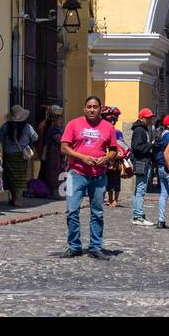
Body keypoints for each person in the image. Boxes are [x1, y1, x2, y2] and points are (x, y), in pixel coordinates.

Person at [61, 95, 118, 257]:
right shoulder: (73, 124)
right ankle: (74, 246)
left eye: (95, 107)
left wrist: (105, 158)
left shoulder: (108, 127)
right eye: (89, 107)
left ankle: (95, 247)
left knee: (97, 212)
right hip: (76, 173)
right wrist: (82, 157)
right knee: (72, 211)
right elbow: (64, 148)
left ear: (100, 109)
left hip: (99, 175)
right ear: (84, 108)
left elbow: (114, 150)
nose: (92, 109)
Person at [0, 105, 39, 208]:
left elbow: (0, 136)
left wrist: (7, 145)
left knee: (10, 176)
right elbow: (35, 137)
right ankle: (16, 199)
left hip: (8, 154)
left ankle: (13, 198)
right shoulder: (27, 127)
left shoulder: (6, 126)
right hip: (21, 155)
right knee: (19, 177)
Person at [130, 107, 155, 226]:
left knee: (140, 190)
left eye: (151, 117)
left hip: (143, 161)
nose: (150, 120)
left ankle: (138, 214)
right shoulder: (139, 130)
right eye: (148, 117)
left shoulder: (142, 129)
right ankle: (138, 216)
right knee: (140, 189)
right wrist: (151, 145)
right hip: (141, 162)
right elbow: (137, 147)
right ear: (142, 117)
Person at [101, 106, 125, 207]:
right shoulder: (106, 131)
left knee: (115, 180)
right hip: (107, 159)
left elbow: (121, 145)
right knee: (109, 180)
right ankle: (110, 199)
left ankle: (115, 200)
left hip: (115, 160)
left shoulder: (117, 132)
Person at [39, 105, 64, 197]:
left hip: (55, 151)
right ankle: (53, 191)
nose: (61, 121)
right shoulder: (52, 128)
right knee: (53, 171)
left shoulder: (54, 128)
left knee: (54, 170)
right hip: (53, 152)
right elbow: (60, 139)